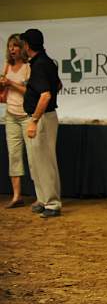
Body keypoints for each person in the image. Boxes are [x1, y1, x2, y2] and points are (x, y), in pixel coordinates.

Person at [20, 29, 62, 218]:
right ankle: (43, 199)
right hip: (44, 116)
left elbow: (45, 95)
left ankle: (52, 204)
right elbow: (59, 85)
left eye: (23, 44)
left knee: (44, 162)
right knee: (37, 161)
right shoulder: (47, 62)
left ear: (28, 45)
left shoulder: (40, 65)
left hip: (42, 118)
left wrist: (34, 121)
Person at [1, 34, 31, 208]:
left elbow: (29, 91)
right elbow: (3, 92)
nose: (12, 49)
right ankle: (17, 196)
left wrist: (11, 83)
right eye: (9, 46)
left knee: (34, 157)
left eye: (15, 46)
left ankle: (40, 196)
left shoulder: (28, 67)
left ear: (22, 48)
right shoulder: (7, 66)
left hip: (27, 116)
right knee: (14, 155)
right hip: (11, 115)